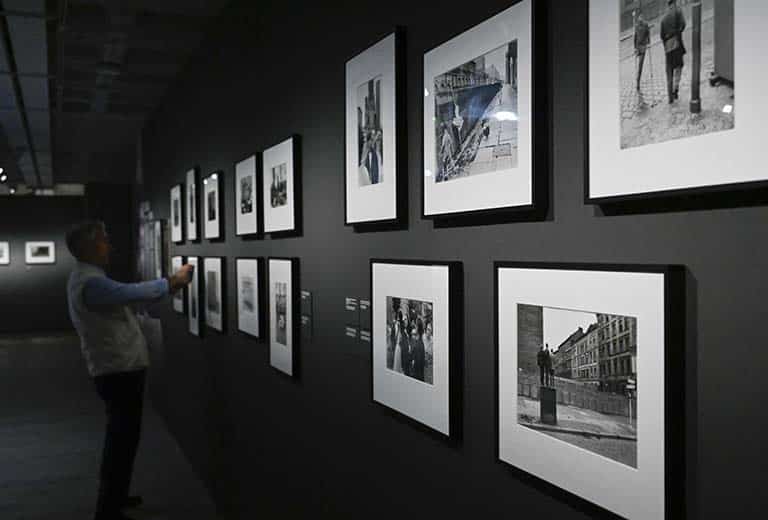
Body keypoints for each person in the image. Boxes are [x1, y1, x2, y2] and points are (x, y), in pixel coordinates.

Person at [65, 220, 193, 520]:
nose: (109, 245)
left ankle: (116, 496)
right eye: (103, 240)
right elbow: (129, 293)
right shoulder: (91, 283)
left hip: (116, 369)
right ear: (88, 246)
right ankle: (108, 509)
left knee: (123, 440)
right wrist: (172, 281)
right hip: (117, 371)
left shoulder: (86, 278)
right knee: (120, 442)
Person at [660, 0, 687, 103]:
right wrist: (677, 32)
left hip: (667, 48)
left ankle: (670, 98)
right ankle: (675, 89)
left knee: (669, 71)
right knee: (679, 67)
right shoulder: (678, 11)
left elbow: (661, 36)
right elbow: (683, 25)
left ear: (668, 5)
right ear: (674, 3)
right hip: (676, 44)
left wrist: (666, 45)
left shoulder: (663, 19)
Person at [634, 10, 651, 91]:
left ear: (642, 17)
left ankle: (638, 82)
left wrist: (649, 42)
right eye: (639, 17)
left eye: (641, 16)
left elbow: (648, 33)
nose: (640, 18)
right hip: (638, 47)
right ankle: (637, 79)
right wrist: (634, 48)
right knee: (638, 65)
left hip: (643, 47)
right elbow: (635, 37)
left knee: (640, 65)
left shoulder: (645, 25)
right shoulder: (636, 26)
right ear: (637, 18)